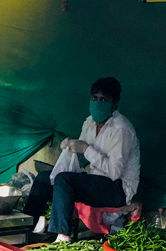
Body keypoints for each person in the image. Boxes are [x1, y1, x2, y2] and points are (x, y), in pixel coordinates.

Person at [24, 77, 140, 240]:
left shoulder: (122, 129)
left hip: (117, 189)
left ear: (115, 104)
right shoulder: (89, 123)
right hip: (95, 182)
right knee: (44, 178)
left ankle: (62, 236)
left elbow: (114, 172)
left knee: (64, 180)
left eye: (104, 100)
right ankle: (25, 228)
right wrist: (71, 148)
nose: (98, 103)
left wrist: (85, 149)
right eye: (95, 98)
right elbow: (81, 157)